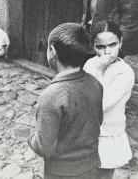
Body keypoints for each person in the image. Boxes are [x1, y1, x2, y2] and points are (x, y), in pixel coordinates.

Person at [28, 23, 103, 179]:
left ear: (52, 52)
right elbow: (98, 120)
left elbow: (45, 148)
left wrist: (30, 138)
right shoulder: (95, 83)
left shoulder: (51, 96)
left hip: (62, 173)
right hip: (92, 167)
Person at [83, 20, 135, 179]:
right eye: (100, 47)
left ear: (121, 42)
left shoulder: (124, 73)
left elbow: (100, 104)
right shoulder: (90, 64)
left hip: (107, 135)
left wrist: (99, 71)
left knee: (103, 174)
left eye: (112, 45)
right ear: (93, 46)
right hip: (86, 133)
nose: (107, 52)